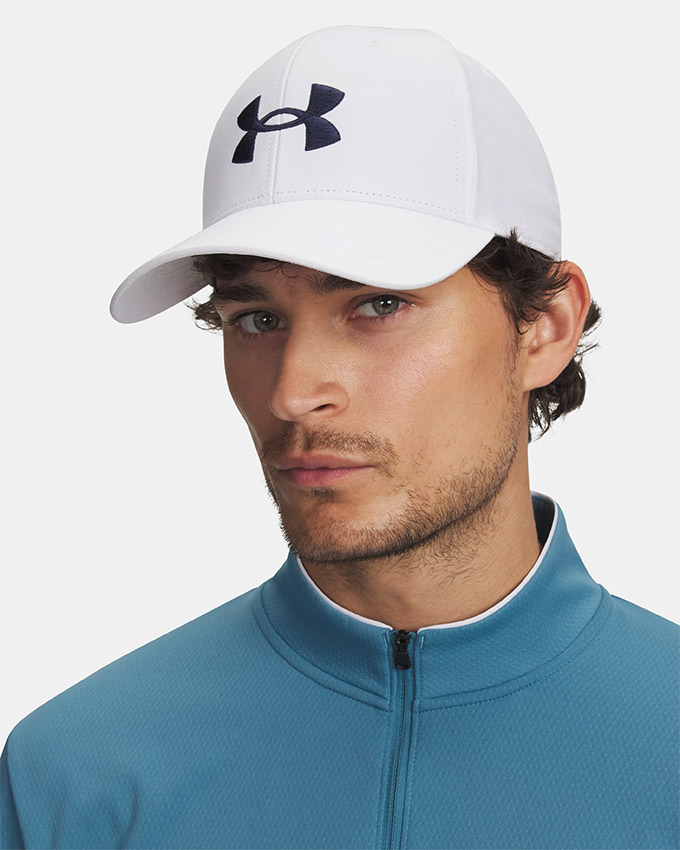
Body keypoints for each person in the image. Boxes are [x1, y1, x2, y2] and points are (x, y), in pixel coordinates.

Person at [1, 23, 677, 850]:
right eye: (255, 318)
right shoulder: (77, 777)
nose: (292, 394)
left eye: (377, 304)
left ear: (544, 326)